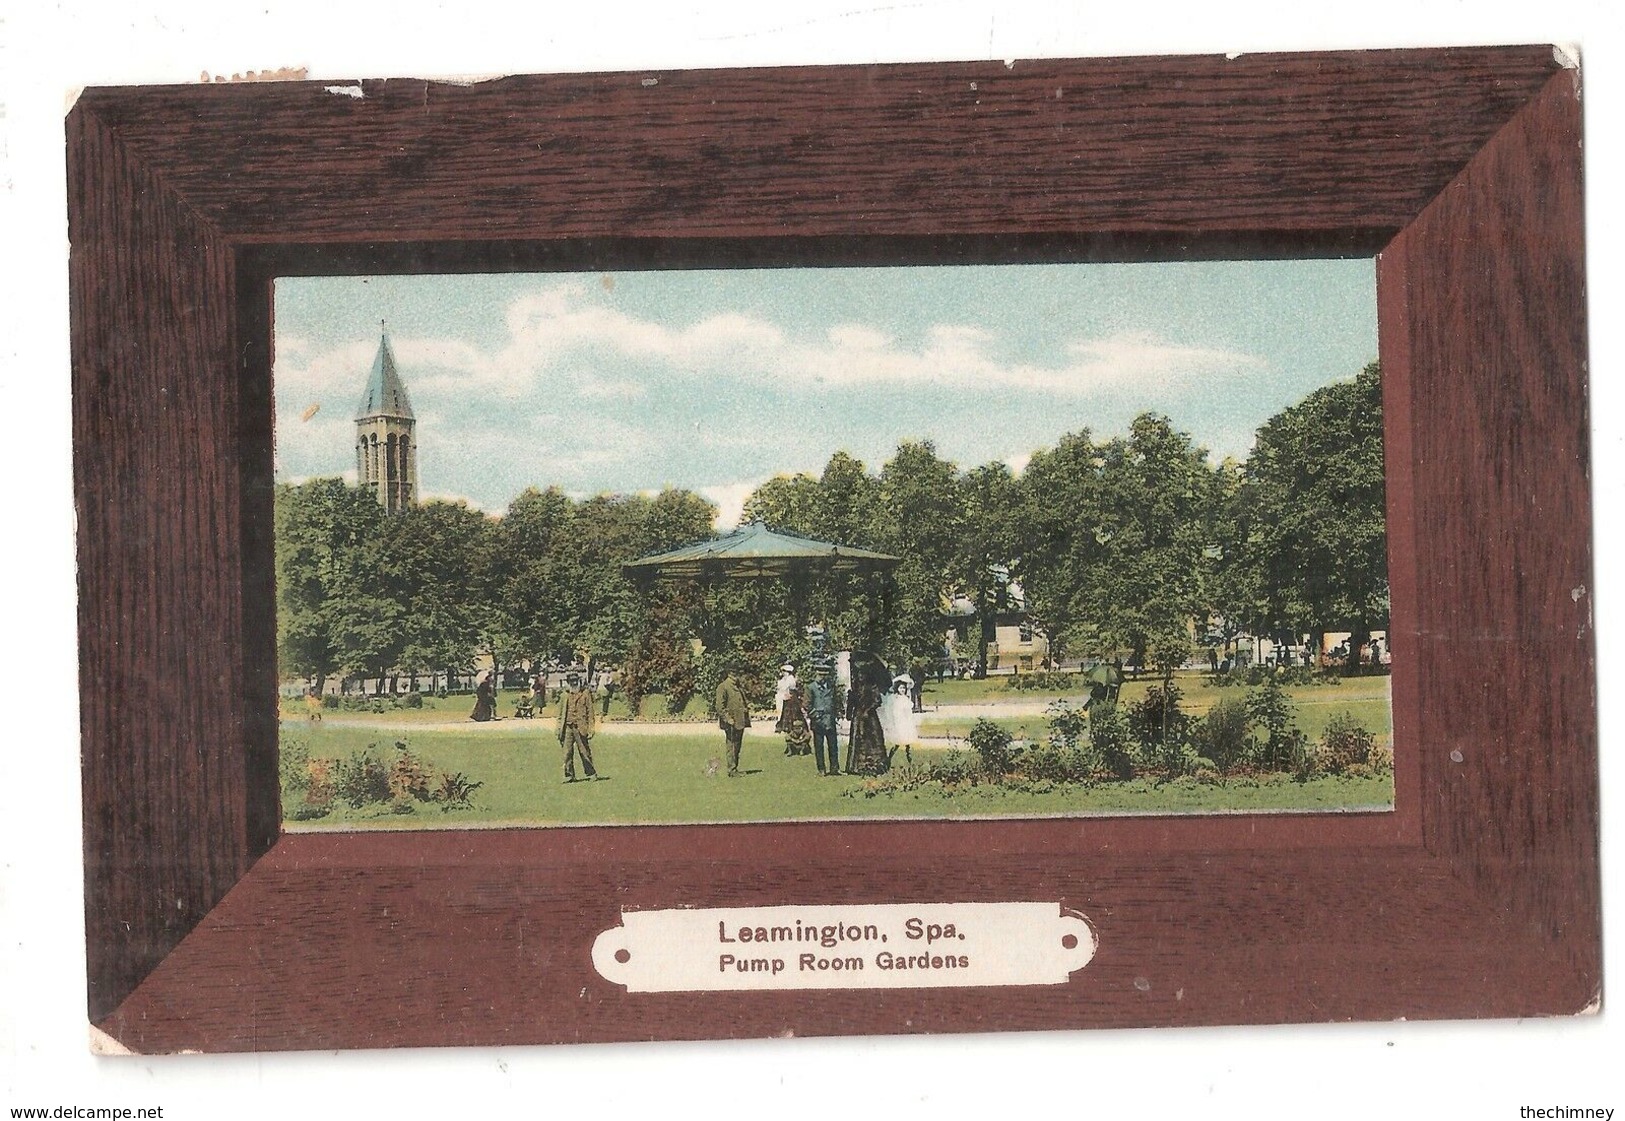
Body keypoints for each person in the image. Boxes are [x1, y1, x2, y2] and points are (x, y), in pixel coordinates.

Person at [557, 671, 599, 782]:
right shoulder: (564, 695)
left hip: (581, 727)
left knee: (584, 752)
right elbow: (560, 714)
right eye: (571, 681)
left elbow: (590, 712)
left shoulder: (585, 694)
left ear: (578, 681)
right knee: (567, 753)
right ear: (568, 682)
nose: (574, 683)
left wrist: (591, 728)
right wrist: (558, 728)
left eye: (575, 680)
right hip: (567, 728)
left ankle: (591, 773)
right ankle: (569, 775)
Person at [714, 665, 752, 777]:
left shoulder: (737, 687)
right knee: (731, 746)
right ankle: (731, 770)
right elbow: (719, 706)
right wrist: (727, 718)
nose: (737, 677)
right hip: (731, 722)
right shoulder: (723, 687)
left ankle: (734, 768)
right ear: (730, 674)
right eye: (735, 675)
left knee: (737, 745)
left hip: (739, 721)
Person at [805, 664, 840, 776]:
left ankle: (834, 768)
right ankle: (821, 770)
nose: (822, 677)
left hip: (830, 720)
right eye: (820, 675)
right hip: (818, 721)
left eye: (824, 675)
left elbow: (835, 702)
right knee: (819, 747)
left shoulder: (831, 686)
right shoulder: (811, 687)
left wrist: (835, 714)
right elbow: (807, 704)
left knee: (833, 745)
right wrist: (815, 715)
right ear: (816, 674)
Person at [880, 674, 919, 768]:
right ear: (897, 688)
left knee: (908, 743)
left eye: (904, 688)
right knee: (897, 742)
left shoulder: (905, 699)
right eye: (901, 688)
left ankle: (910, 761)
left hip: (905, 722)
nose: (902, 690)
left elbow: (908, 711)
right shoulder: (894, 698)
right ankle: (888, 759)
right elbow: (891, 710)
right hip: (898, 722)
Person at [779, 681, 812, 757]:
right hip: (790, 723)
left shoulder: (795, 702)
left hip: (796, 724)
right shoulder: (787, 702)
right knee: (789, 735)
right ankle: (790, 749)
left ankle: (801, 749)